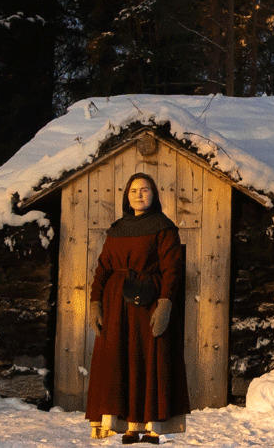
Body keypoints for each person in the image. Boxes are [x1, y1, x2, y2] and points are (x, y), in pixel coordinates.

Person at [86, 172, 189, 443]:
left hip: (148, 303)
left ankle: (153, 426)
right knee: (122, 361)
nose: (139, 195)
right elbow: (103, 268)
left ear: (154, 194)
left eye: (144, 190)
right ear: (126, 196)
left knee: (148, 360)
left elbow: (172, 269)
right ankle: (129, 425)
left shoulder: (163, 227)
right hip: (116, 307)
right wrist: (95, 302)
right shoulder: (117, 229)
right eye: (133, 191)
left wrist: (165, 302)